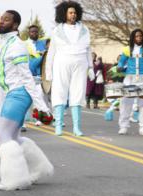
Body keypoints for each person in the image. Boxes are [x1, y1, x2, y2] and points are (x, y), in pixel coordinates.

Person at [0, 10, 53, 190]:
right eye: (1, 19)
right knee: (14, 137)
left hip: (19, 94)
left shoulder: (17, 45)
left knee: (4, 135)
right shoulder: (5, 43)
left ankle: (15, 179)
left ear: (15, 25)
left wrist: (41, 105)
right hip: (13, 93)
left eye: (6, 20)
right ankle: (40, 168)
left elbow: (27, 77)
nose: (1, 21)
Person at [46, 1, 94, 136]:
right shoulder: (57, 30)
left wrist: (91, 67)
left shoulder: (84, 29)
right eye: (70, 12)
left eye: (75, 12)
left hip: (80, 62)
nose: (73, 15)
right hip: (62, 61)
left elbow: (88, 49)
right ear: (64, 14)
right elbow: (51, 52)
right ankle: (59, 125)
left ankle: (76, 127)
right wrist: (48, 71)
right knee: (59, 92)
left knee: (78, 94)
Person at [117, 29, 143, 136]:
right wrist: (120, 67)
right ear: (133, 38)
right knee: (126, 104)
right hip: (130, 80)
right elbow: (121, 61)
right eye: (137, 36)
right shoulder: (127, 50)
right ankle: (123, 126)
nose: (139, 38)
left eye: (140, 36)